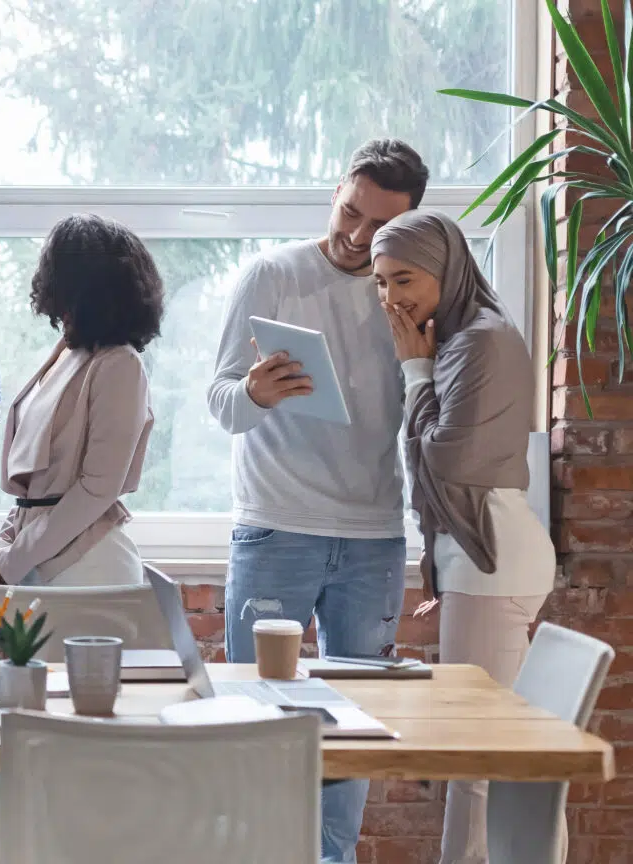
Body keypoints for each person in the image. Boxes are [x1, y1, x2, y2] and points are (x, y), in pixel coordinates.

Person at [206, 138, 430, 863]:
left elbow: (430, 412)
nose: (358, 238)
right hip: (277, 526)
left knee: (354, 726)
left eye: (379, 228)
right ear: (336, 190)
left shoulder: (408, 289)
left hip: (373, 534)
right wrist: (253, 393)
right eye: (349, 212)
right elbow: (219, 401)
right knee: (254, 716)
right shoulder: (271, 274)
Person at [371, 210, 555, 864]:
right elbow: (431, 455)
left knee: (473, 751)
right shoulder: (458, 339)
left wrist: (414, 373)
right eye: (381, 282)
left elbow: (443, 462)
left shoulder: (479, 341)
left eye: (405, 278)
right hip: (486, 556)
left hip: (491, 559)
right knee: (490, 747)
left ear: (446, 270)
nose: (392, 297)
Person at [0, 214, 162, 587]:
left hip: (89, 564)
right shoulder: (69, 352)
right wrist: (5, 542)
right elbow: (37, 489)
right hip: (42, 559)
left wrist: (14, 557)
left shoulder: (120, 363)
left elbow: (98, 489)